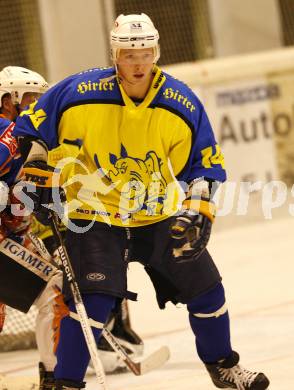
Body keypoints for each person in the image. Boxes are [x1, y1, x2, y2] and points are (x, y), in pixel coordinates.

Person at [13, 13, 270, 390]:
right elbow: (31, 129)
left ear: (157, 52)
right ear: (115, 54)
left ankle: (223, 366)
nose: (137, 63)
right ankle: (65, 383)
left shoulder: (179, 101)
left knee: (207, 288)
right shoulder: (77, 92)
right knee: (93, 303)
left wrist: (198, 209)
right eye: (129, 54)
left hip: (157, 213)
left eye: (145, 53)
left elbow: (203, 162)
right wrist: (36, 168)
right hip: (93, 216)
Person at [0, 66, 143, 389]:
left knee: (56, 287)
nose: (38, 105)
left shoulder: (28, 135)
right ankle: (55, 377)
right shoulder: (9, 133)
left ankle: (57, 373)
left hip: (13, 235)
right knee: (54, 290)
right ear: (9, 99)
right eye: (32, 98)